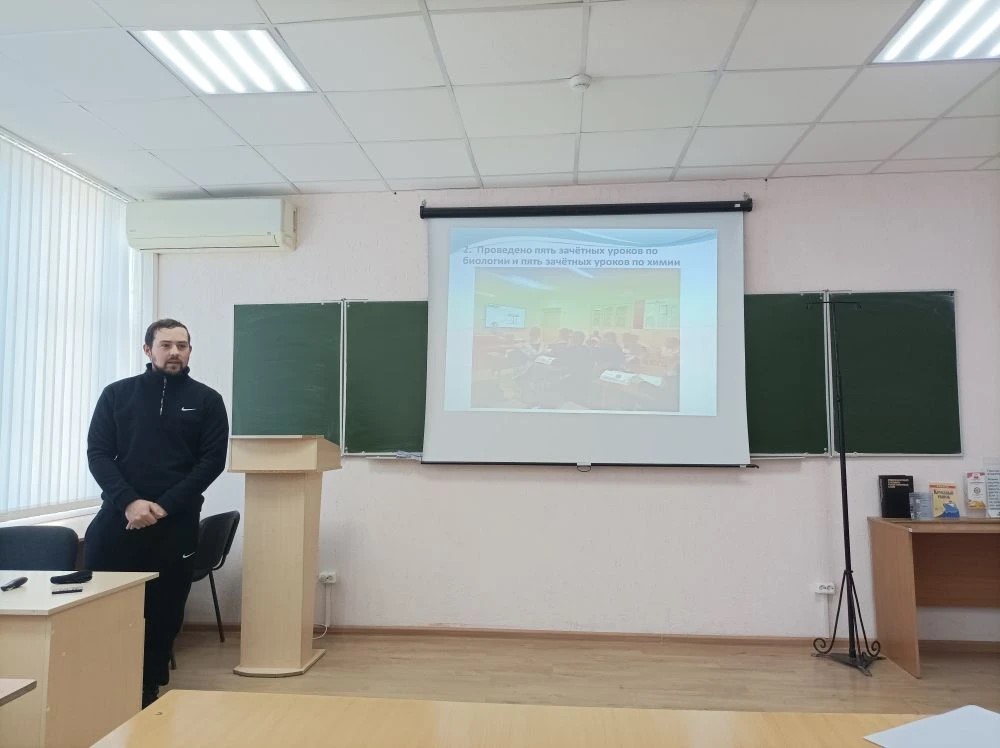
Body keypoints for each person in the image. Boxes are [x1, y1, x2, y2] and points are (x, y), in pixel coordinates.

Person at [85, 319, 229, 708]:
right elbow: (99, 453)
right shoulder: (117, 395)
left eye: (182, 345)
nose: (175, 352)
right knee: (102, 605)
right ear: (148, 350)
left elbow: (211, 462)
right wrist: (130, 502)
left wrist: (164, 505)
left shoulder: (207, 401)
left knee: (164, 610)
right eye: (166, 345)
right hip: (119, 519)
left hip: (175, 524)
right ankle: (100, 685)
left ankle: (148, 687)